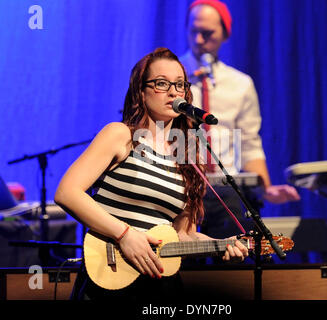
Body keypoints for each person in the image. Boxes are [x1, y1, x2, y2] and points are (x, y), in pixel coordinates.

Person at [54, 47, 248, 300]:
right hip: (109, 277)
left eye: (179, 85)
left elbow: (183, 235)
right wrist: (124, 235)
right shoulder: (120, 135)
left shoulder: (186, 157)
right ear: (141, 92)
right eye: (161, 83)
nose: (173, 92)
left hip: (158, 284)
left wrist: (220, 245)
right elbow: (67, 192)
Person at [180, 0, 300, 239]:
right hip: (182, 184)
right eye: (194, 32)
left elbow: (249, 141)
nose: (199, 40)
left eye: (208, 33)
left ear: (225, 34)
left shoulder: (240, 84)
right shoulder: (171, 76)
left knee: (238, 228)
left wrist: (266, 189)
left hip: (225, 188)